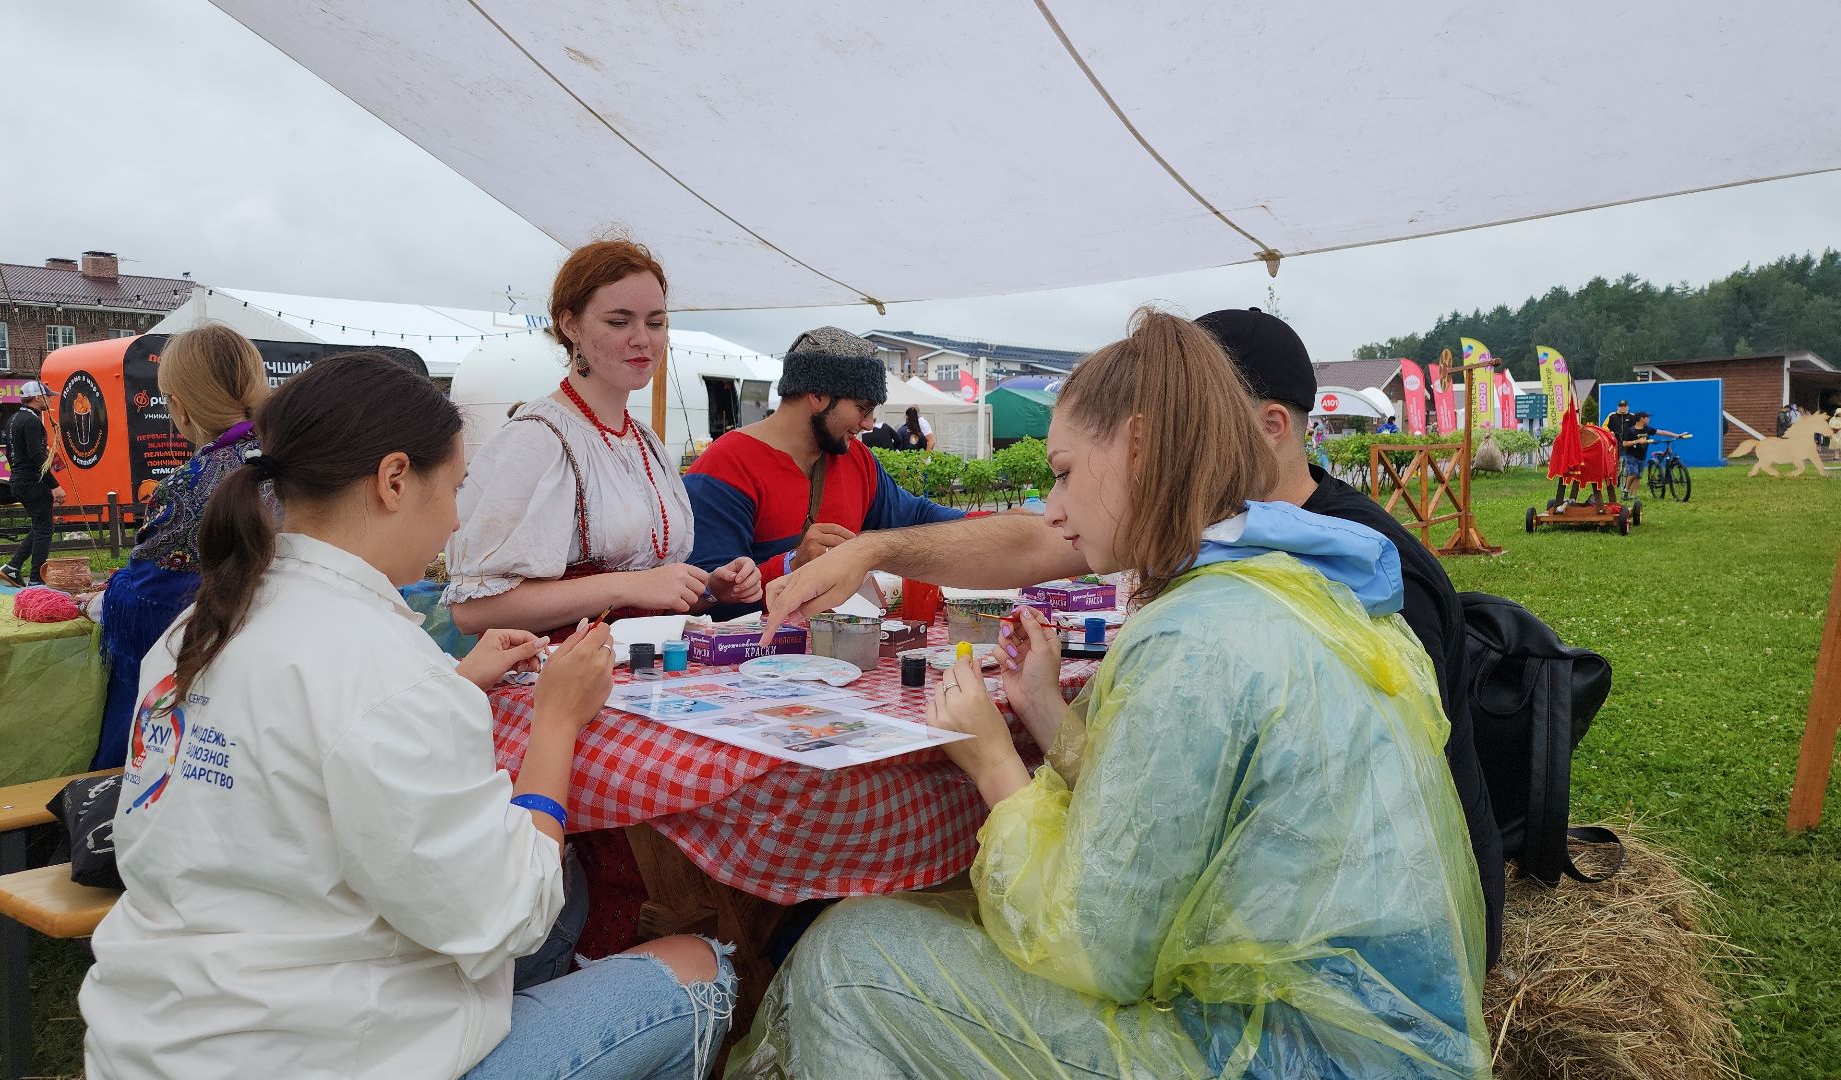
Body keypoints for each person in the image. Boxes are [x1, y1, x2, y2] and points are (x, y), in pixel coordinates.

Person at [729, 311, 1488, 1078]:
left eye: (1062, 473)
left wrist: (995, 765)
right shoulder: (1290, 578)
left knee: (845, 958)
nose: (1053, 508)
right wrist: (1043, 709)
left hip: (1279, 1052)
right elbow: (1178, 824)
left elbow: (1096, 948)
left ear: (1139, 446)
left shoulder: (1194, 638)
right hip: (1364, 1032)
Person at [79, 354, 736, 1080]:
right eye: (455, 489)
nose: (455, 520)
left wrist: (453, 683)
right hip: (322, 1051)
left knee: (564, 908)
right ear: (394, 480)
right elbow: (510, 913)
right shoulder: (382, 666)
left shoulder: (196, 631)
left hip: (153, 1037)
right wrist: (557, 721)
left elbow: (313, 754)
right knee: (699, 968)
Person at [445, 238, 762, 636]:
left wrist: (710, 589)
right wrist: (628, 586)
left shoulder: (644, 442)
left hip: (643, 664)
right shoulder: (536, 439)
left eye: (655, 323)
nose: (642, 338)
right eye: (618, 322)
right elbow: (475, 610)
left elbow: (649, 593)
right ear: (570, 325)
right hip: (558, 669)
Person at [684, 328, 965, 619]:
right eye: (862, 408)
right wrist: (793, 564)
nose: (869, 424)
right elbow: (705, 599)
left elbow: (916, 516)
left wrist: (989, 525)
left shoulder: (856, 459)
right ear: (817, 395)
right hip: (752, 648)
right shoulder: (725, 466)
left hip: (839, 642)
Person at [93, 325, 270, 769]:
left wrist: (107, 594)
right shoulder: (296, 462)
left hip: (199, 699)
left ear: (179, 407)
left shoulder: (186, 485)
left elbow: (149, 604)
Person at [0, 380, 65, 588]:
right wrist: (54, 485)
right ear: (37, 398)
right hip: (32, 481)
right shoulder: (32, 421)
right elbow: (36, 457)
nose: (50, 400)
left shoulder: (13, 419)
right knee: (44, 529)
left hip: (19, 479)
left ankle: (12, 567)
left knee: (40, 525)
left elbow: (11, 454)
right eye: (47, 396)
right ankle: (37, 580)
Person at [1620, 411, 1688, 496]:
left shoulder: (1647, 429)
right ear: (1642, 418)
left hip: (1642, 455)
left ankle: (1633, 495)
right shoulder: (1630, 430)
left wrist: (1677, 435)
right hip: (1631, 455)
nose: (1649, 419)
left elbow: (1662, 432)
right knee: (1633, 474)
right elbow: (1624, 443)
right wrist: (1637, 441)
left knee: (1638, 476)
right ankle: (1626, 490)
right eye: (1647, 417)